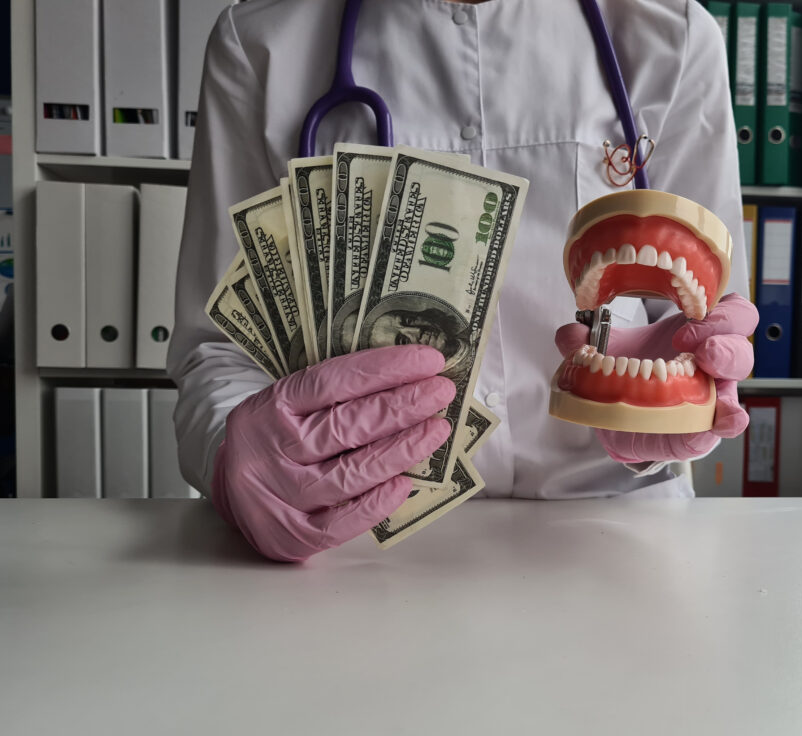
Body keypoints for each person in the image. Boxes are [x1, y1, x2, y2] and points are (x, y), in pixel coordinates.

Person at [168, 0, 757, 562]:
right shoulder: (260, 46)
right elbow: (220, 343)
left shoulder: (674, 39)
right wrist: (234, 454)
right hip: (354, 545)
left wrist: (682, 382)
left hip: (613, 534)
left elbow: (710, 306)